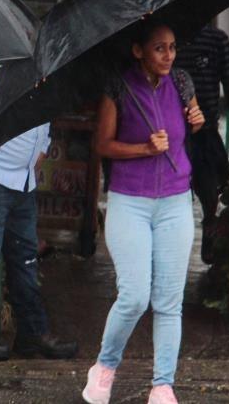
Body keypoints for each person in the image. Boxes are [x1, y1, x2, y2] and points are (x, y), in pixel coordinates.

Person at [82, 23, 204, 404]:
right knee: (135, 295)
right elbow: (102, 145)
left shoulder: (182, 83)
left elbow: (188, 133)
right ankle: (104, 367)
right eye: (159, 49)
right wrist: (143, 149)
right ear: (138, 51)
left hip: (175, 201)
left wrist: (197, 121)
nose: (168, 56)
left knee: (169, 300)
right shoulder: (118, 87)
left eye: (172, 47)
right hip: (129, 201)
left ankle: (163, 384)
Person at [0, 60, 78, 361]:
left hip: (25, 183)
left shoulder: (39, 67)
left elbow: (43, 113)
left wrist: (43, 146)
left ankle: (32, 334)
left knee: (26, 260)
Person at [174, 26, 229, 264]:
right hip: (169, 134)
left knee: (210, 188)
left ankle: (210, 230)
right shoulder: (167, 38)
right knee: (175, 192)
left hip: (204, 132)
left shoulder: (216, 40)